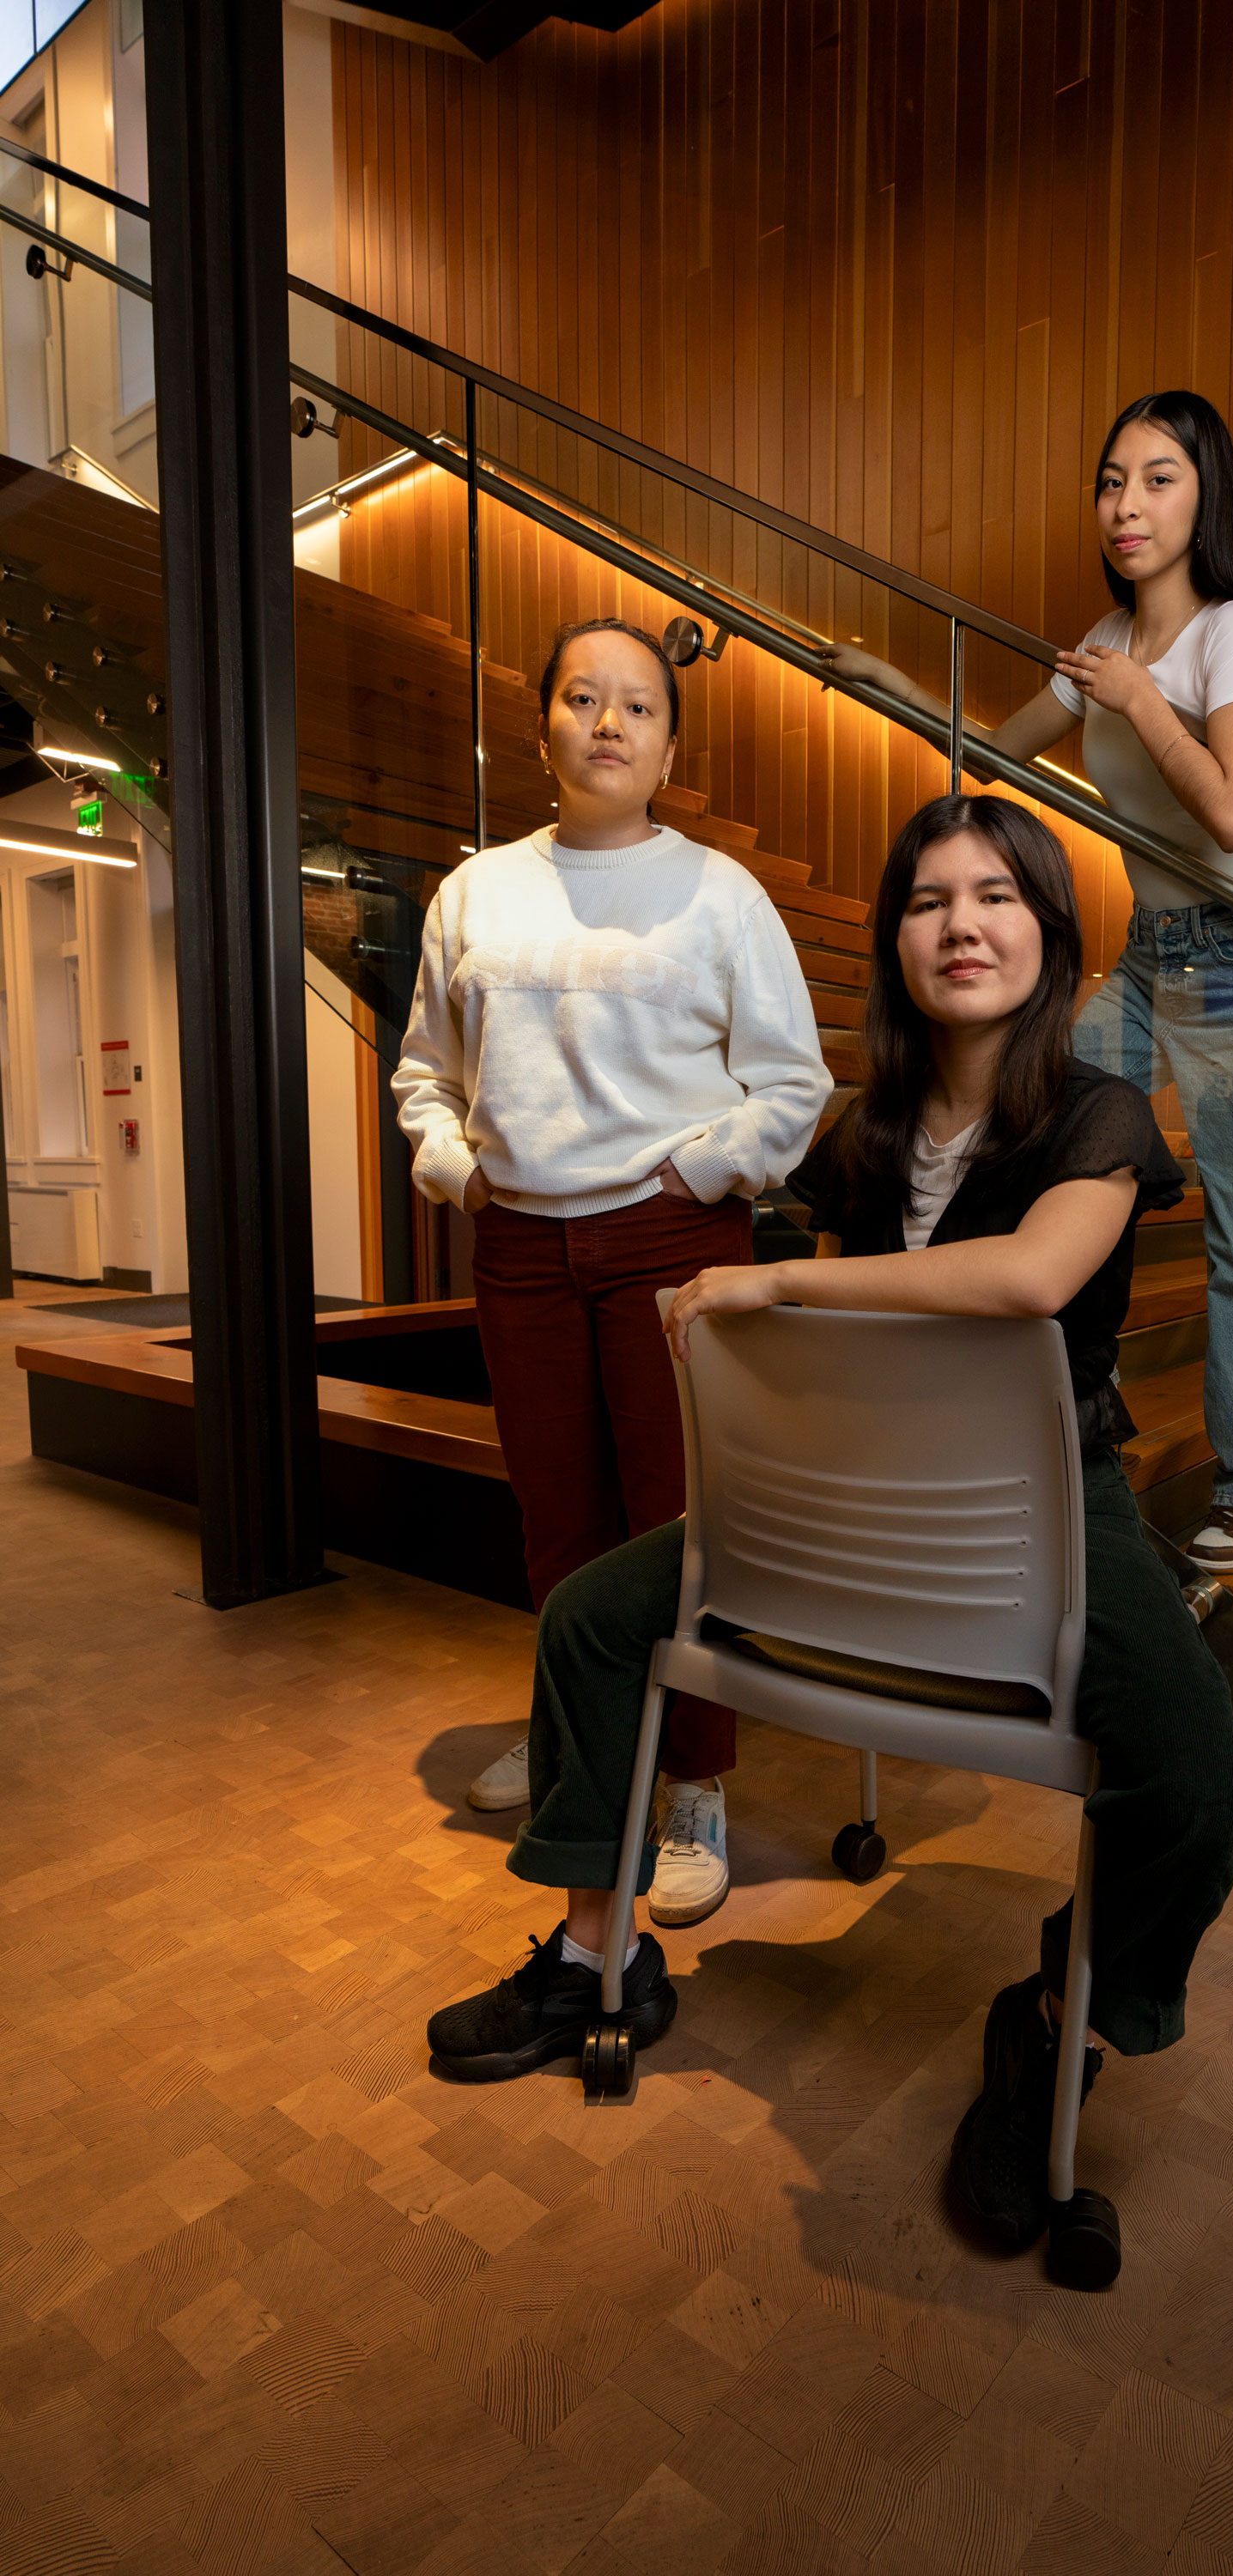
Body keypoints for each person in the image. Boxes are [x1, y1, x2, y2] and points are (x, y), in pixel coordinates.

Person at [422, 793, 1233, 2268]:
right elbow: (758, 1270)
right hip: (842, 1497)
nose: (963, 925)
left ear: (1050, 934)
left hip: (1046, 1504)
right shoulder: (859, 1130)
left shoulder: (1101, 1116)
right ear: (895, 941)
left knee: (1202, 1775)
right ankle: (593, 1957)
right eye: (931, 900)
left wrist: (779, 1290)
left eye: (998, 897)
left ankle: (1054, 2032)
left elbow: (1030, 1280)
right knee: (593, 1619)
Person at [823, 392, 1233, 1574]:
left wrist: (1143, 700)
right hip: (1151, 952)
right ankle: (1013, 1395)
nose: (1128, 504)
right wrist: (892, 682)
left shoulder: (1226, 634)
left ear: (1205, 498)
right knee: (1031, 1120)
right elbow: (999, 754)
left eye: (1158, 478)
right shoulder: (1105, 636)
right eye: (1111, 481)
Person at [392, 617, 832, 1925]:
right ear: (544, 727)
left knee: (678, 1522)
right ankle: (580, 1743)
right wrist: (458, 1171)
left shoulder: (721, 893)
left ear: (668, 742)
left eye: (636, 706)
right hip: (519, 1244)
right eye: (581, 697)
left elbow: (793, 1083)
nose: (607, 723)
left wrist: (695, 1177)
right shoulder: (476, 890)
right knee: (556, 1516)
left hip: (669, 1241)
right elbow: (426, 1072)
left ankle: (692, 1780)